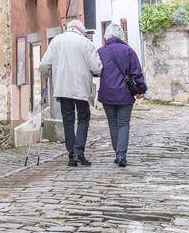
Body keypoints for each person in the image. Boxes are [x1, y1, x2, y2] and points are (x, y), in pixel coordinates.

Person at [41, 20, 103, 167]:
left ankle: (71, 155)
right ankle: (78, 151)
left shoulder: (56, 41)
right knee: (83, 118)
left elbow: (44, 64)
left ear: (69, 28)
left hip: (62, 88)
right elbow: (97, 68)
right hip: (80, 88)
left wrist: (47, 75)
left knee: (68, 120)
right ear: (81, 31)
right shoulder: (86, 43)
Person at [97, 24, 148, 167]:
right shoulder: (128, 51)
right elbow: (136, 73)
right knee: (123, 124)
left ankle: (118, 153)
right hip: (125, 94)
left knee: (113, 124)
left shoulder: (101, 51)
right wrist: (141, 89)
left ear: (106, 36)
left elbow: (96, 70)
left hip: (107, 93)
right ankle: (121, 154)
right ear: (120, 36)